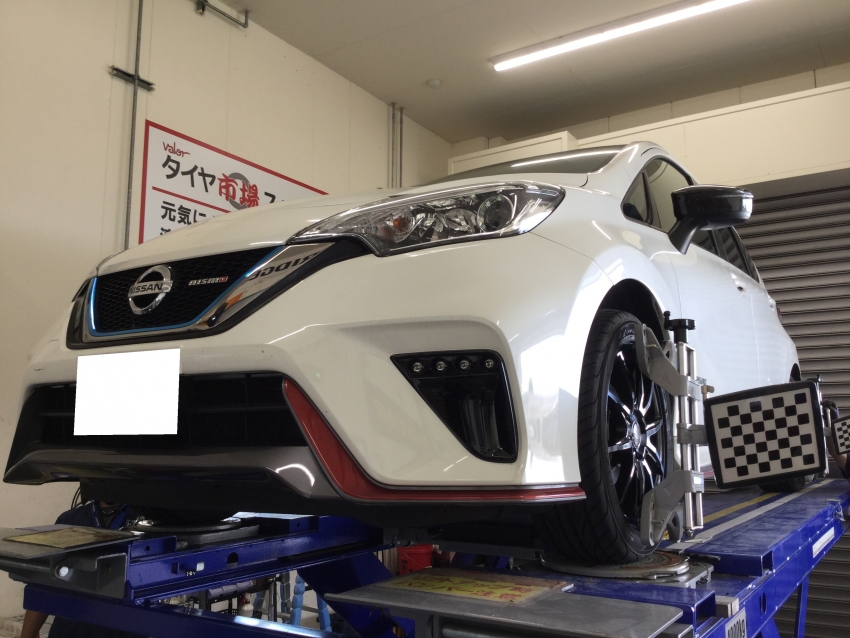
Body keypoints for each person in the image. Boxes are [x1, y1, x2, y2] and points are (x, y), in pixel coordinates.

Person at [20, 501, 142, 638]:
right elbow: (45, 585)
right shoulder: (69, 521)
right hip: (72, 626)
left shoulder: (145, 522)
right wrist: (27, 635)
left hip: (123, 627)